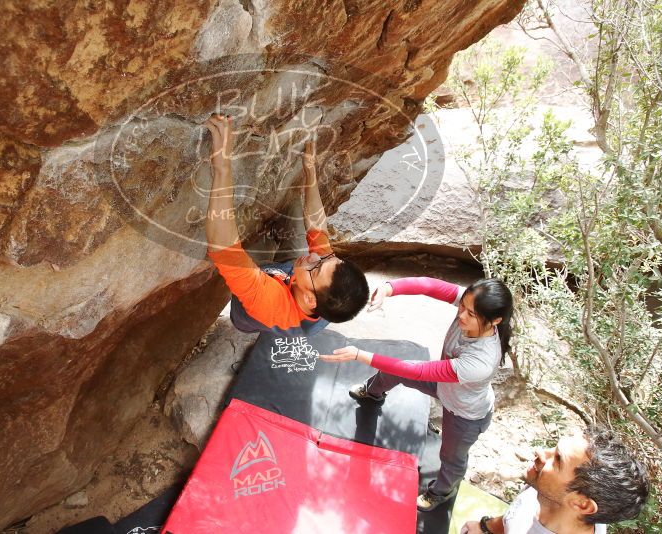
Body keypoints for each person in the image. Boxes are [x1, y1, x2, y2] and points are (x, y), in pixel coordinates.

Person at [320, 276, 514, 511]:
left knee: (451, 458)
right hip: (446, 386)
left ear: (495, 321)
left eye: (471, 314)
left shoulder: (480, 361)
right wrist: (390, 288)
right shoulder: (472, 302)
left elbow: (419, 371)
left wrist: (361, 354)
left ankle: (441, 491)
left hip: (464, 412)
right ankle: (373, 392)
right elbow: (430, 286)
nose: (461, 315)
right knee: (392, 372)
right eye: (462, 306)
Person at [204, 114, 368, 336]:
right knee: (292, 214)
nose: (316, 256)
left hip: (252, 308)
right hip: (289, 277)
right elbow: (318, 229)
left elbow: (223, 247)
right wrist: (310, 172)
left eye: (317, 266)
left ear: (310, 298)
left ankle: (266, 245)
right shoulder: (324, 274)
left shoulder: (271, 304)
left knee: (243, 249)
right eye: (326, 258)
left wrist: (223, 165)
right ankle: (273, 243)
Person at [460, 427, 650, 533]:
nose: (541, 452)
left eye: (558, 459)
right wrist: (485, 526)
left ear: (582, 504)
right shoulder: (546, 488)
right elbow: (515, 516)